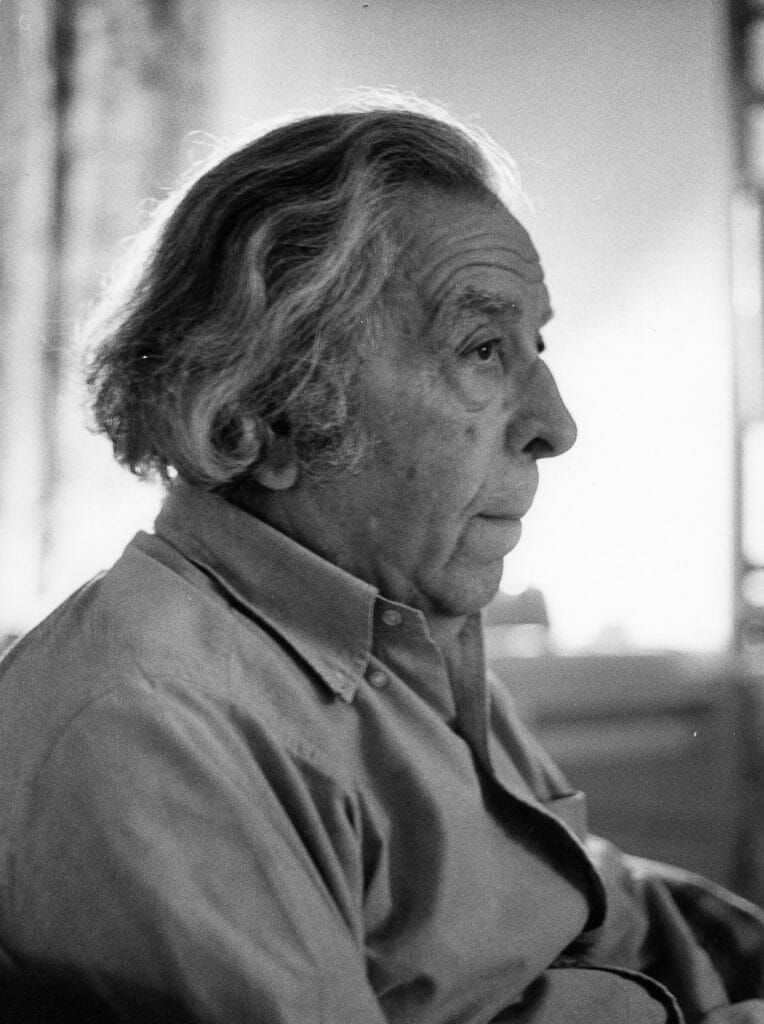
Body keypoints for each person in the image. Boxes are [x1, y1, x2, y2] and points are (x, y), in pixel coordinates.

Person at [0, 97, 761, 1024]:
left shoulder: (404, 626)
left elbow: (591, 908)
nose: (556, 425)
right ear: (266, 406)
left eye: (535, 344)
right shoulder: (144, 731)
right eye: (482, 348)